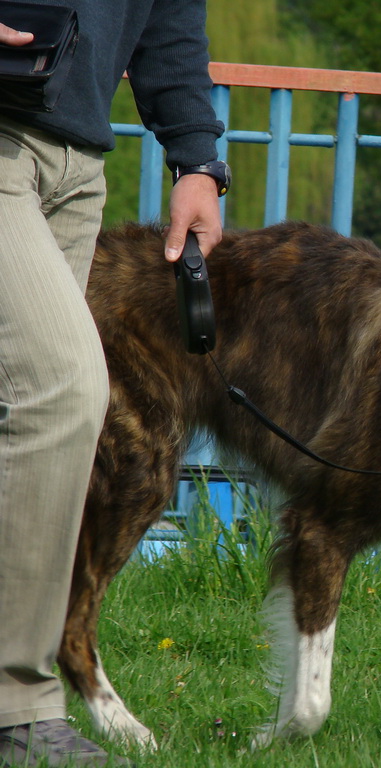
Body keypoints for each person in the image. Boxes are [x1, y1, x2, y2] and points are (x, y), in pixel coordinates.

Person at [0, 2, 229, 765]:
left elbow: (169, 11)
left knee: (29, 418)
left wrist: (196, 157)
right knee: (64, 390)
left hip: (76, 159)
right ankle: (17, 708)